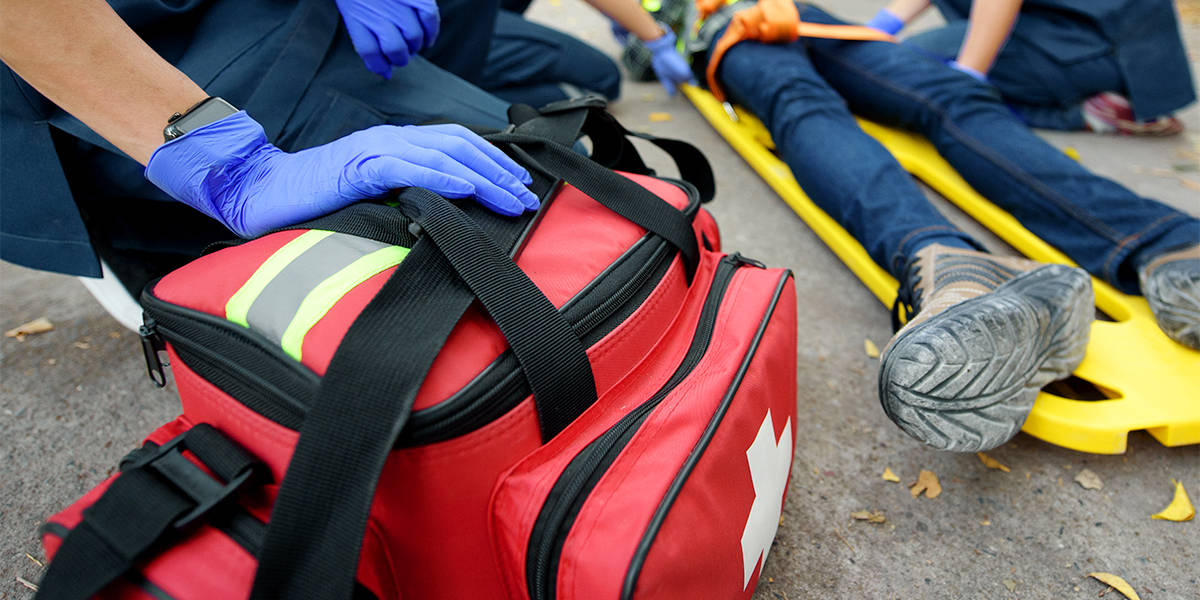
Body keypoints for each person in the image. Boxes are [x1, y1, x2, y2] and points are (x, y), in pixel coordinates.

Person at [634, 0, 1200, 452]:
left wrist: (655, 37)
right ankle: (1167, 244)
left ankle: (955, 265)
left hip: (769, 21)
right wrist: (652, 37)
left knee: (817, 107)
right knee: (936, 101)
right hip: (738, 22)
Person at [1, 0, 540, 330]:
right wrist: (228, 167)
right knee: (532, 223)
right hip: (133, 52)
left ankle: (407, 97)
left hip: (262, 11)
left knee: (570, 94)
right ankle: (134, 215)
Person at [867, 0, 1195, 135]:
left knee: (914, 65)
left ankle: (1086, 114)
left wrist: (965, 79)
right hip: (1079, 25)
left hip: (1102, 44)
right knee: (904, 60)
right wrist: (880, 28)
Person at [484, 0, 696, 105]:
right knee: (599, 82)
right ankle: (465, 99)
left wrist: (652, 36)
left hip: (472, 20)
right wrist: (656, 41)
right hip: (459, 32)